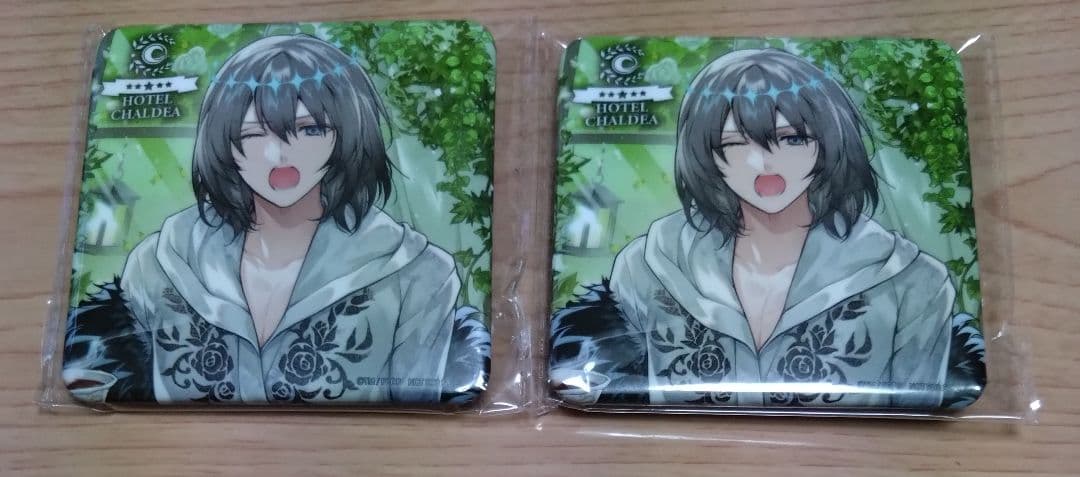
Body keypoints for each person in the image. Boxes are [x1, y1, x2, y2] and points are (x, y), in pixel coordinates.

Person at [65, 34, 486, 405]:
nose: (278, 155)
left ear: (346, 134)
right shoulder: (157, 263)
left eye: (308, 130)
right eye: (252, 134)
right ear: (222, 143)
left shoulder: (420, 275)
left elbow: (418, 422)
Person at [551, 49, 984, 408]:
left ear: (829, 143)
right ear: (705, 154)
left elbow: (920, 413)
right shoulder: (647, 265)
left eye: (792, 139)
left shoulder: (915, 282)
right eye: (735, 143)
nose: (764, 164)